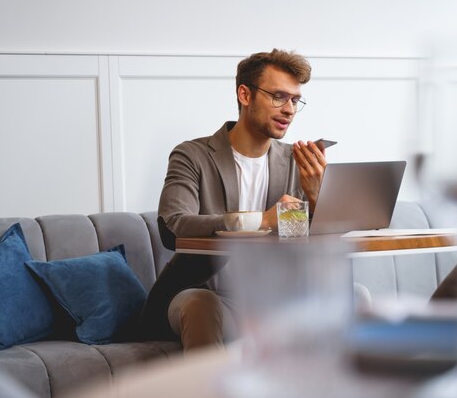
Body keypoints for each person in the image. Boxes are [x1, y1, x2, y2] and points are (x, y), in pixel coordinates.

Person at [139, 49, 327, 352]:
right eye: (279, 96)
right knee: (201, 304)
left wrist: (318, 197)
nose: (289, 109)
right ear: (245, 94)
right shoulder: (193, 155)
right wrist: (261, 221)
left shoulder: (297, 161)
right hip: (204, 294)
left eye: (295, 99)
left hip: (272, 298)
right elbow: (172, 226)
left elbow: (316, 245)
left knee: (355, 295)